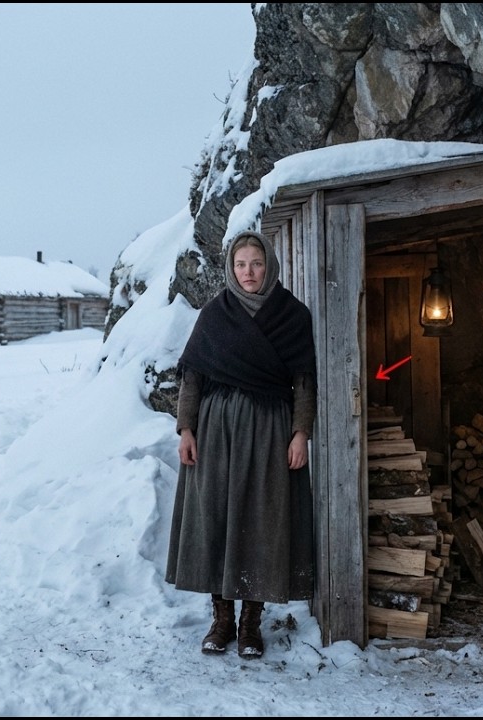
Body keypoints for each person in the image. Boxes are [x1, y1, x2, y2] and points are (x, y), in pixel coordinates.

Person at [164, 230, 317, 659]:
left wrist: (301, 432)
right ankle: (221, 619)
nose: (248, 272)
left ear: (269, 265)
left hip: (270, 429)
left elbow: (304, 381)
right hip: (216, 431)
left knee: (260, 520)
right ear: (231, 269)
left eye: (256, 263)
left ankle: (251, 622)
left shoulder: (293, 316)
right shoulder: (215, 314)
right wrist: (186, 430)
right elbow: (192, 377)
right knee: (216, 516)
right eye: (240, 264)